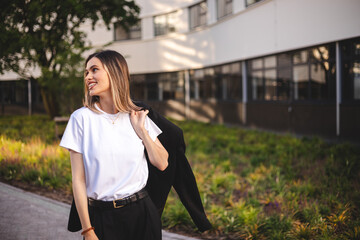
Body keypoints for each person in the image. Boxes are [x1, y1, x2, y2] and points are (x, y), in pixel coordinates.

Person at [60, 50, 169, 240]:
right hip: (102, 217)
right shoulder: (81, 119)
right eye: (86, 72)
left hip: (142, 214)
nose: (88, 77)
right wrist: (87, 230)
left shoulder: (137, 115)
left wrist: (142, 131)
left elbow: (162, 163)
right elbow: (78, 180)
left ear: (114, 72)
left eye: (94, 70)